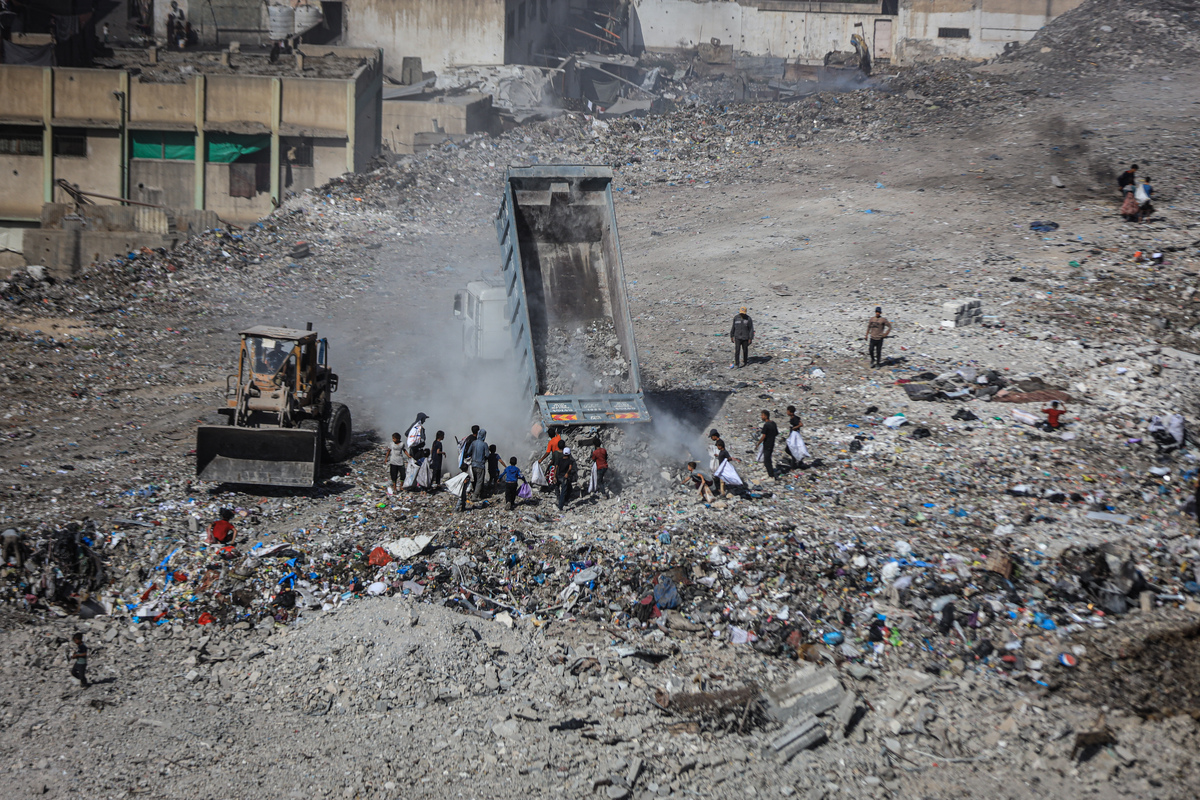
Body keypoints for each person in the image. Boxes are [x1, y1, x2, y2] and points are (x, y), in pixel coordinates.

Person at [467, 429, 490, 499]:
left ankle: (479, 494)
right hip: (480, 465)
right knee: (479, 481)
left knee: (476, 480)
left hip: (473, 465)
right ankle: (475, 496)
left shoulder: (473, 443)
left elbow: (468, 452)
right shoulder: (484, 444)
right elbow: (487, 455)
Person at [756, 409, 778, 479]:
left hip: (767, 444)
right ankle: (770, 473)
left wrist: (758, 444)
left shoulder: (766, 425)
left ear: (765, 416)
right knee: (768, 459)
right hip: (772, 444)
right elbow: (776, 433)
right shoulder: (773, 423)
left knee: (767, 461)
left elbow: (764, 436)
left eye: (762, 415)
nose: (761, 417)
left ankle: (771, 476)